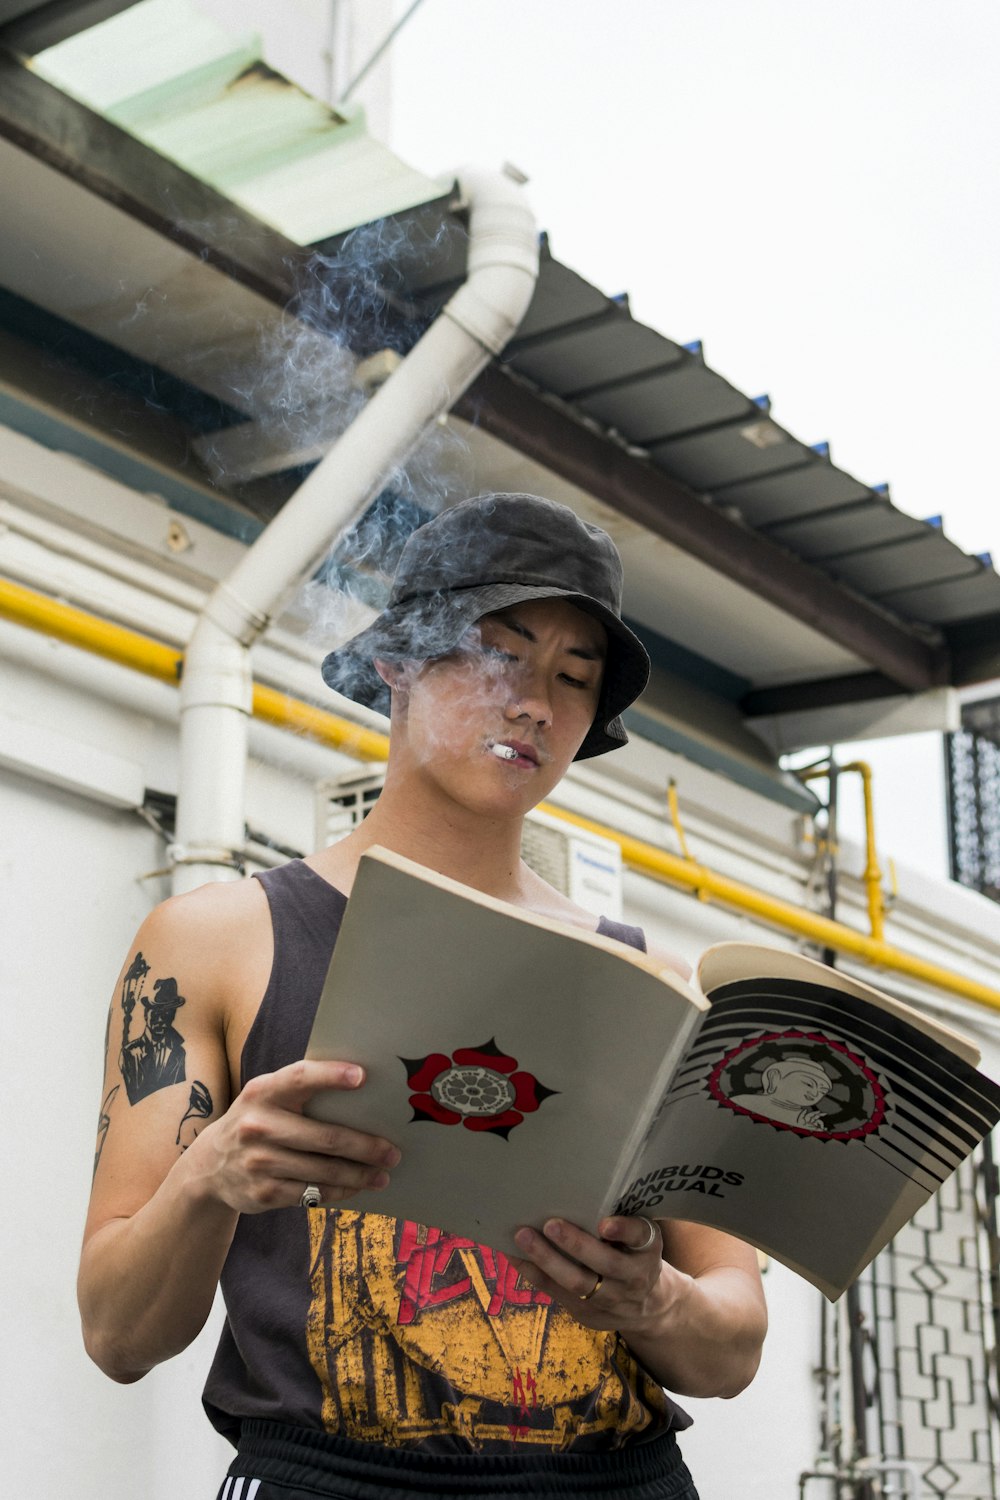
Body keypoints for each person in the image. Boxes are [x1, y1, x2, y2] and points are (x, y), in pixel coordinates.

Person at [79, 493, 767, 1500]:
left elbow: (733, 1347)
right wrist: (210, 1175)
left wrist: (653, 1298)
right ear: (396, 659)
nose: (534, 702)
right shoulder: (216, 941)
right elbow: (115, 1332)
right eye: (499, 653)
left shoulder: (651, 988)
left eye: (575, 677)